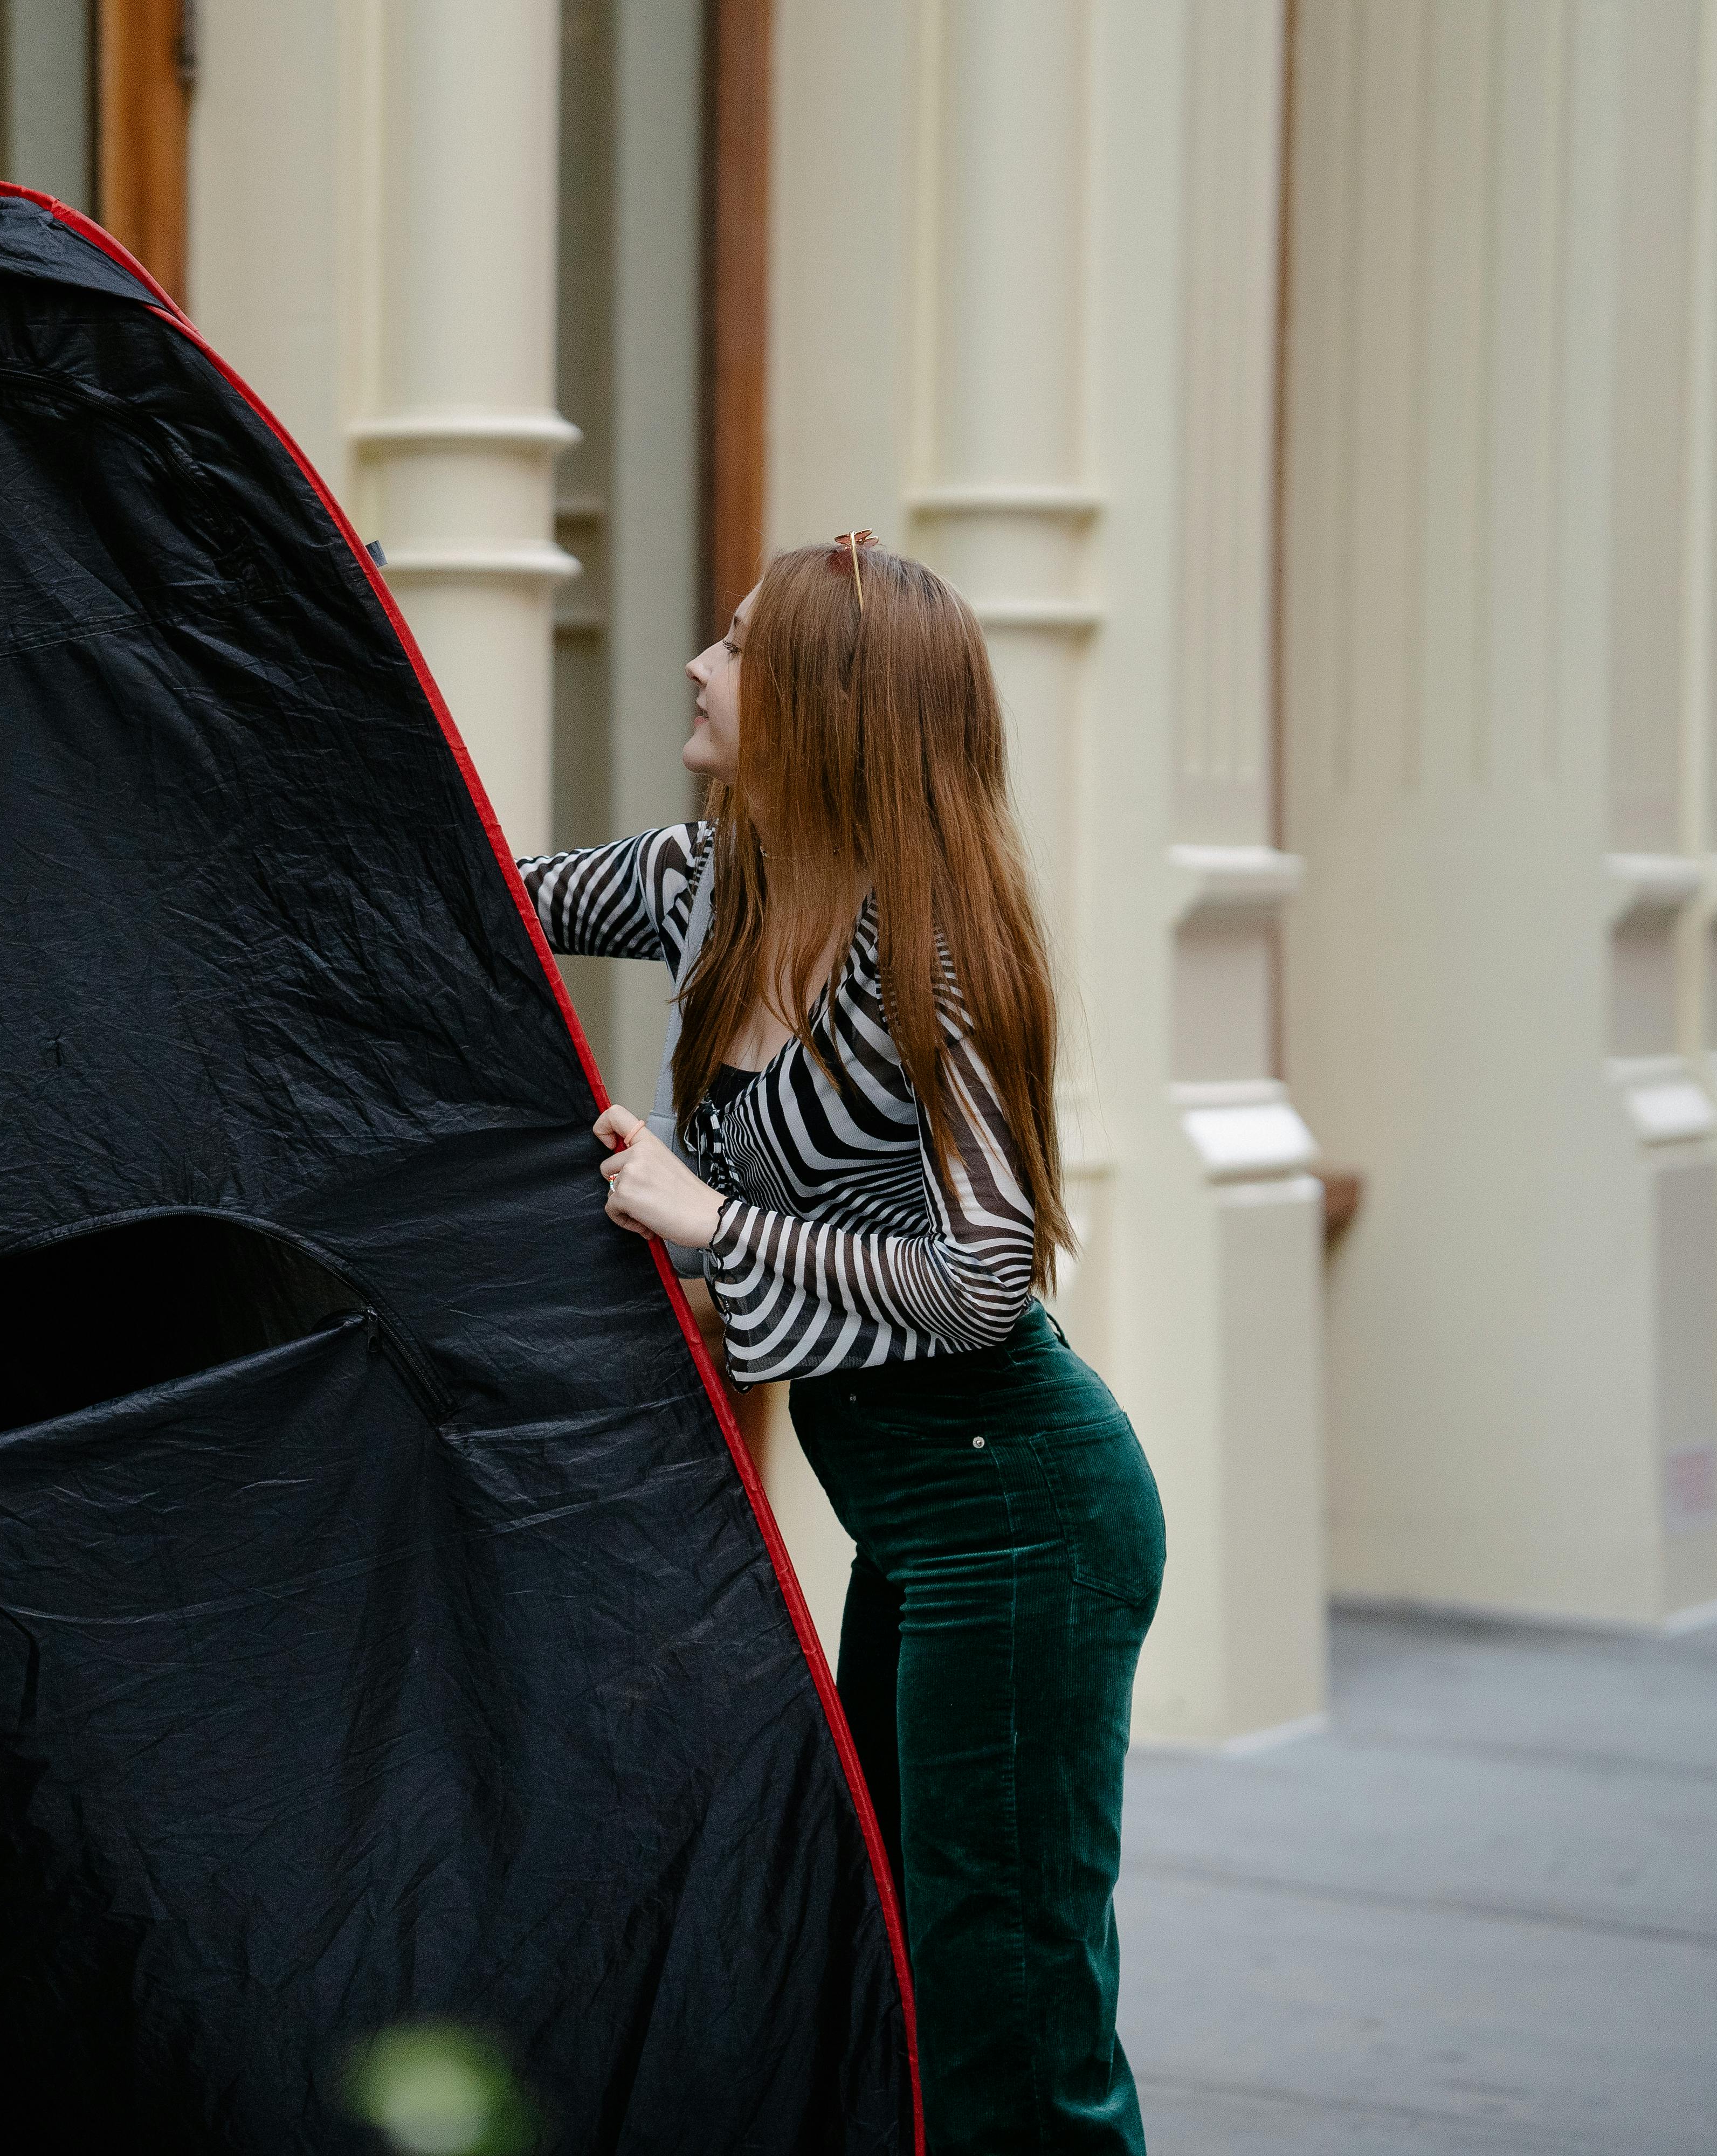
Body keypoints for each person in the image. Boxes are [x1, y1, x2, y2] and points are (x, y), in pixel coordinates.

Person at [519, 533, 1164, 2153]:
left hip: (1023, 1513)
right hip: (920, 1518)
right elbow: (485, 905)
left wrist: (712, 1225)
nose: (696, 665)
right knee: (887, 1940)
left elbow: (986, 1280)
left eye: (737, 648)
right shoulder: (705, 888)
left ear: (819, 707)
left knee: (1007, 1991)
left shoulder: (928, 958)